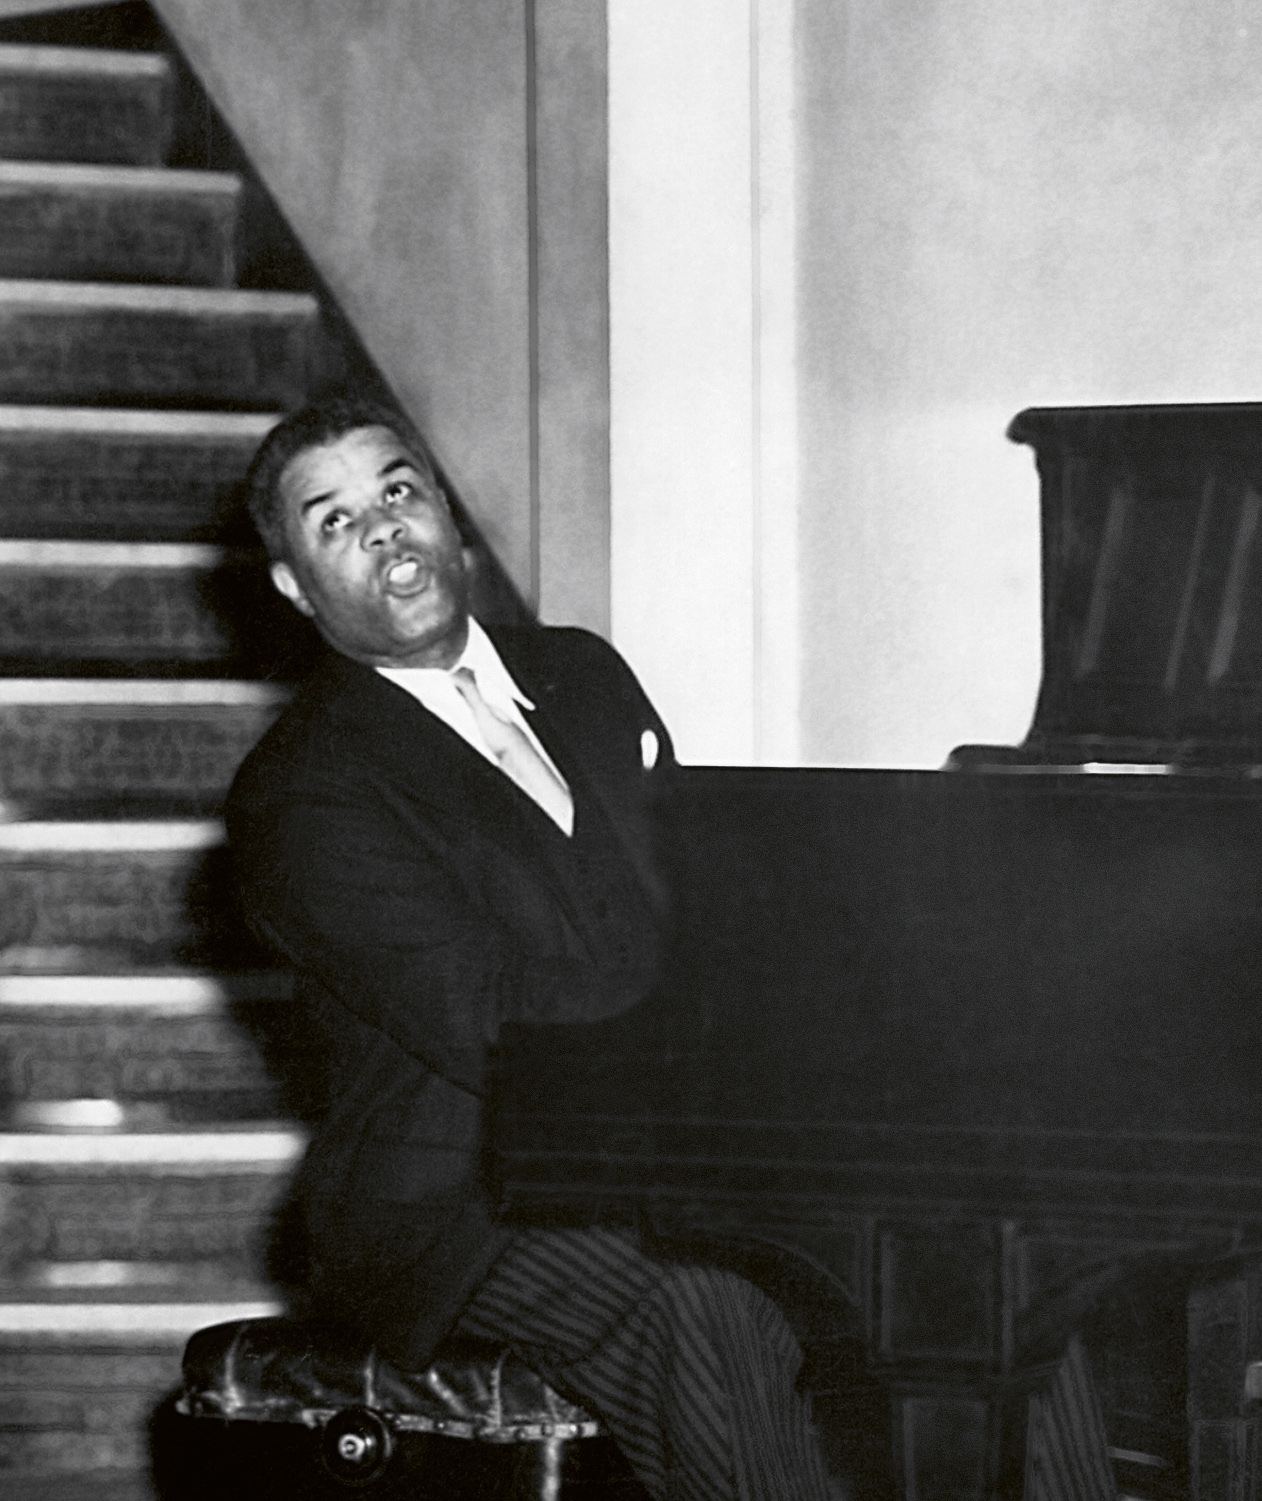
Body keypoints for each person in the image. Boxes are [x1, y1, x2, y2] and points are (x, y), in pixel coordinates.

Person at [227, 392, 834, 1501]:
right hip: (462, 1201)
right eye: (333, 519)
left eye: (399, 489)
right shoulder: (304, 788)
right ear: (292, 585)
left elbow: (709, 903)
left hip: (667, 1144)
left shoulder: (583, 675)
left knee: (981, 1260)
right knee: (712, 1296)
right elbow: (494, 1014)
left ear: (448, 513)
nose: (382, 527)